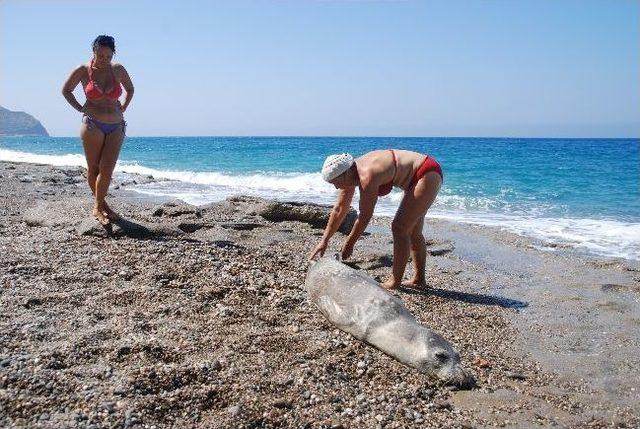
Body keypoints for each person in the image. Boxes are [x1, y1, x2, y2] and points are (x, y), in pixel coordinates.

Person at [309, 150, 443, 290]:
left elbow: (365, 215)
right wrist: (324, 240)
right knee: (413, 231)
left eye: (336, 183)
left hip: (426, 173)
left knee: (400, 228)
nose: (336, 187)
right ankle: (419, 280)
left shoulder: (366, 175)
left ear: (346, 173)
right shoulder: (348, 174)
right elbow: (339, 210)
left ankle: (394, 282)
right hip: (418, 176)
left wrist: (350, 242)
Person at [62, 35, 134, 225]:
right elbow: (66, 90)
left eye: (108, 56)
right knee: (94, 168)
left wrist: (124, 106)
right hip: (93, 124)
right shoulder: (83, 70)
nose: (104, 59)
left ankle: (99, 205)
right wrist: (80, 108)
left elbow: (130, 89)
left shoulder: (118, 70)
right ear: (93, 51)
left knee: (107, 169)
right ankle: (100, 206)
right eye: (100, 55)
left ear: (113, 55)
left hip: (117, 126)